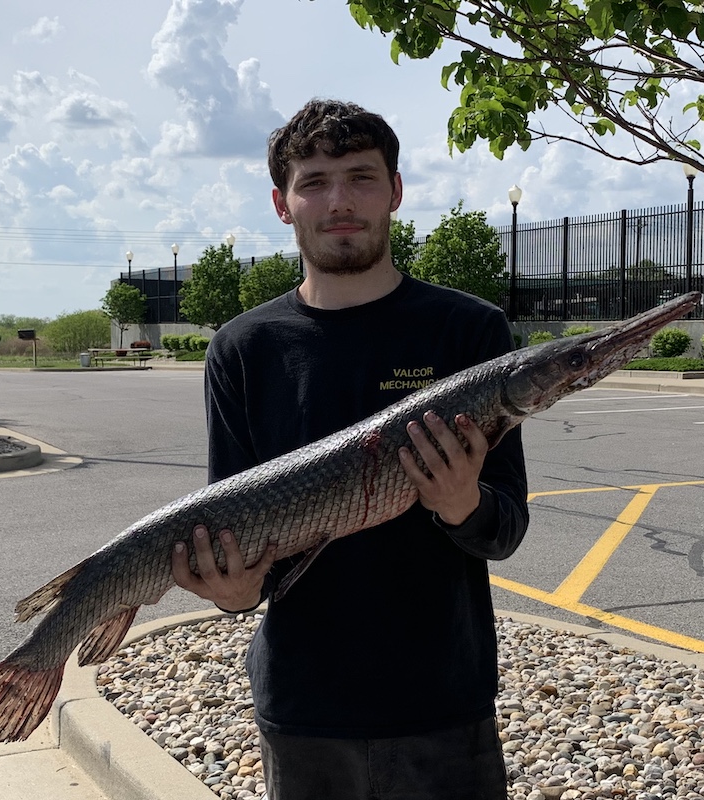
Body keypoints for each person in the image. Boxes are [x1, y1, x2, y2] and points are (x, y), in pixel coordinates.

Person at [170, 98, 529, 799]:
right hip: (306, 708)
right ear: (283, 203)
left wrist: (461, 505)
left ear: (395, 191)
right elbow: (236, 543)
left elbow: (505, 527)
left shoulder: (469, 333)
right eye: (315, 182)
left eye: (362, 177)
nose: (340, 201)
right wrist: (234, 593)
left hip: (443, 700)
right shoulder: (243, 350)